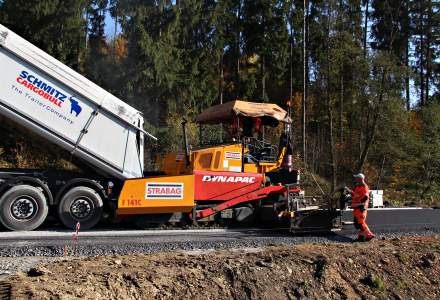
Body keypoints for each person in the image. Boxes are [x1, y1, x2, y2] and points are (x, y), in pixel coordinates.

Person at [348, 173, 375, 242]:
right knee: (357, 224)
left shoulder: (364, 187)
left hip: (361, 208)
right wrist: (350, 192)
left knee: (360, 223)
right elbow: (355, 195)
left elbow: (366, 196)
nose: (356, 179)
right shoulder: (358, 187)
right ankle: (361, 237)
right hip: (356, 208)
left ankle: (369, 235)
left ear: (360, 179)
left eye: (357, 178)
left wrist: (360, 203)